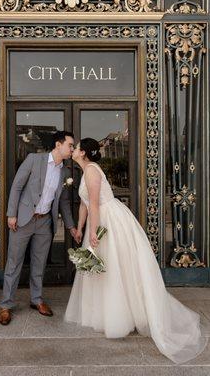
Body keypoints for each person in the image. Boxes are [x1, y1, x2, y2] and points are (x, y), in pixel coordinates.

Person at [65, 137, 208, 364]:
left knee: (113, 266)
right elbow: (83, 204)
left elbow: (94, 203)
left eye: (76, 147)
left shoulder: (92, 171)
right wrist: (79, 228)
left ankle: (122, 316)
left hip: (108, 221)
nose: (73, 150)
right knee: (101, 269)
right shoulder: (86, 171)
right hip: (100, 218)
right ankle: (104, 314)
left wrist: (94, 232)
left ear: (83, 153)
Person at [0, 131, 77, 325]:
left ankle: (36, 299)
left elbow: (64, 202)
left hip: (45, 222)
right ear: (58, 145)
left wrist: (71, 226)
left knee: (39, 263)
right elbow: (17, 186)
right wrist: (11, 214)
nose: (72, 149)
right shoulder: (34, 159)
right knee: (14, 263)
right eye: (70, 145)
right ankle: (6, 305)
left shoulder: (66, 172)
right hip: (23, 219)